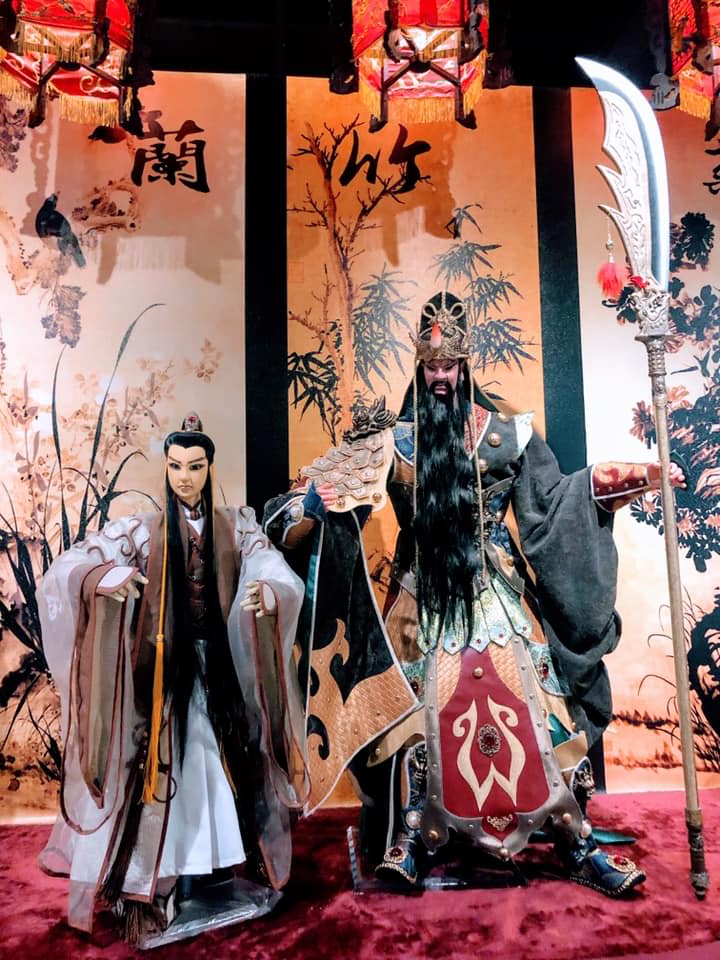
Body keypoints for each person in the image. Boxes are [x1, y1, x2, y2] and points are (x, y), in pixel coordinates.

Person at [264, 291, 685, 897]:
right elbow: (314, 496)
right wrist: (308, 506)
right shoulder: (391, 441)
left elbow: (557, 500)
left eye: (450, 365)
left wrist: (637, 476)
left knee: (539, 709)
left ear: (465, 365)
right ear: (419, 366)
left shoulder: (507, 434)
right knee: (413, 714)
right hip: (419, 599)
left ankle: (577, 841)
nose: (441, 377)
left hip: (496, 597)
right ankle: (412, 837)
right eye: (431, 366)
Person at [38, 413, 307, 945]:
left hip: (218, 670)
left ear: (210, 468)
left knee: (215, 766)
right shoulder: (143, 529)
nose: (185, 477)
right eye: (177, 466)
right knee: (167, 772)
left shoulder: (236, 525)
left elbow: (269, 563)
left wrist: (269, 591)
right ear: (166, 467)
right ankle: (156, 884)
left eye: (196, 467)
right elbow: (77, 563)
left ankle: (210, 869)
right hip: (163, 673)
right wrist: (105, 578)